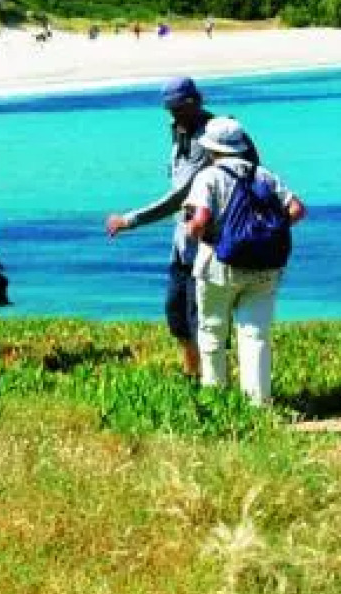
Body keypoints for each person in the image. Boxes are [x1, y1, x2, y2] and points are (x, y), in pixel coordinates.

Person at [104, 77, 256, 376]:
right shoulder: (179, 131)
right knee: (177, 316)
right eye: (169, 109)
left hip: (207, 244)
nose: (174, 115)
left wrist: (129, 220)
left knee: (204, 319)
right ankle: (192, 374)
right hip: (181, 244)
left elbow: (181, 196)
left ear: (195, 102)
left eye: (179, 108)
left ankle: (214, 380)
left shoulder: (210, 139)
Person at [180, 118, 305, 405]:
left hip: (218, 265)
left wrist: (192, 231)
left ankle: (216, 398)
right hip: (264, 266)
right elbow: (297, 210)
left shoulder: (208, 177)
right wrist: (265, 233)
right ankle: (258, 403)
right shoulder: (264, 175)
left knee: (212, 328)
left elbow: (200, 219)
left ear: (212, 149)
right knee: (256, 334)